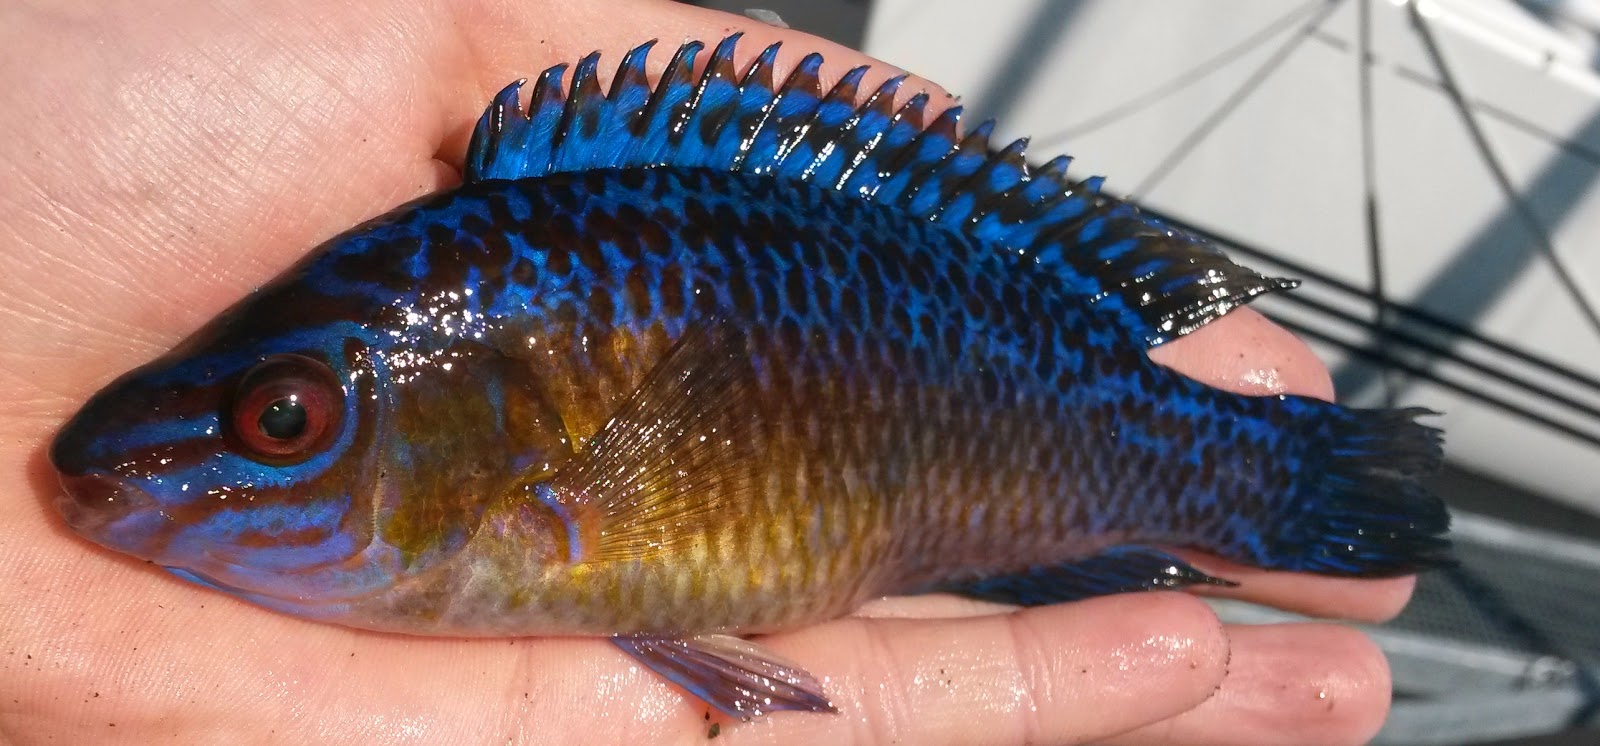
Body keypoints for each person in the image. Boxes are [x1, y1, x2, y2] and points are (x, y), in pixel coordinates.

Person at [0, 1, 1418, 743]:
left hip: (1020, 371)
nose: (158, 469)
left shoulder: (527, 432)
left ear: (507, 428)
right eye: (281, 417)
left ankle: (1292, 487)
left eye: (282, 419)